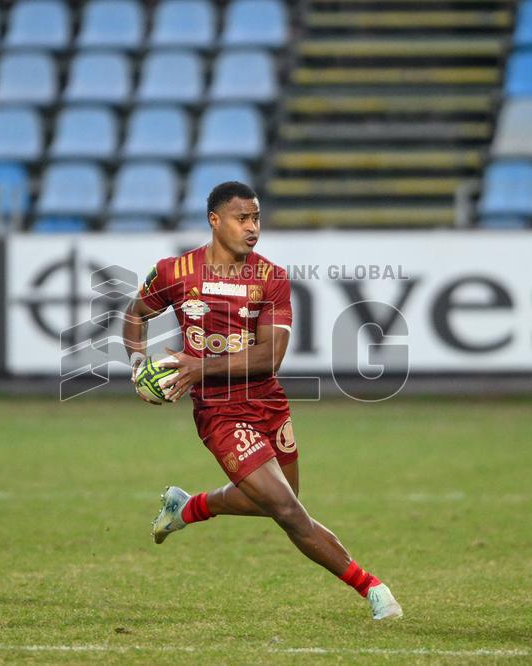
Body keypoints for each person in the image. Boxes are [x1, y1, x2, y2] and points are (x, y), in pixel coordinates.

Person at [122, 181, 402, 621]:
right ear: (215, 220)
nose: (253, 227)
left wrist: (198, 366)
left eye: (256, 218)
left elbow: (270, 356)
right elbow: (135, 314)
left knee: (279, 500)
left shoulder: (271, 278)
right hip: (219, 412)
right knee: (289, 511)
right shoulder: (175, 273)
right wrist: (138, 365)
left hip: (268, 402)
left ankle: (188, 507)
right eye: (242, 218)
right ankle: (372, 588)